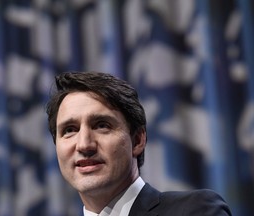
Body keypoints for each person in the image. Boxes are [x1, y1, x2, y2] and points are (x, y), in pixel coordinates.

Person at [46, 71, 232, 216]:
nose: (84, 145)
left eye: (102, 125)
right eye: (69, 130)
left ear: (137, 140)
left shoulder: (195, 210)